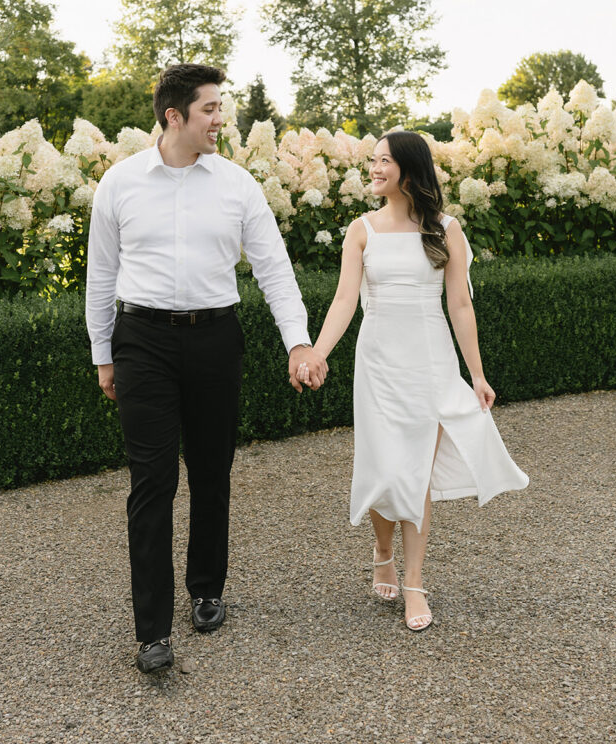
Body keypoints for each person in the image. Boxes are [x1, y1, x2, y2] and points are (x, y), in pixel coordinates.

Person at [86, 63, 327, 672]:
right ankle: (151, 633)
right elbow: (101, 277)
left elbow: (274, 268)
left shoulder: (237, 185)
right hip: (142, 340)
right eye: (212, 109)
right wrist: (103, 353)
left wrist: (298, 343)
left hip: (218, 338)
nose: (223, 119)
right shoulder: (119, 184)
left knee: (212, 471)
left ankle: (206, 589)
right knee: (152, 482)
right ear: (174, 116)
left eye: (222, 108)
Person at [297, 130, 528, 631]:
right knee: (385, 464)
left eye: (384, 161)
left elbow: (460, 305)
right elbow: (344, 301)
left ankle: (415, 583)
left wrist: (478, 375)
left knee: (416, 469)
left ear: (408, 169)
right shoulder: (361, 230)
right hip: (378, 363)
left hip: (430, 362)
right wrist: (317, 352)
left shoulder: (446, 228)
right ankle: (382, 551)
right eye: (373, 161)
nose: (374, 169)